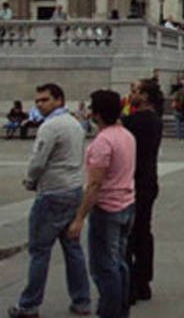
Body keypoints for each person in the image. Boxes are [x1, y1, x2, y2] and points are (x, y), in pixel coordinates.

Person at [8, 84, 91, 318]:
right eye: (37, 101)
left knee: (39, 251)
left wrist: (30, 180)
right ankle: (82, 300)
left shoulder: (50, 126)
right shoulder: (75, 124)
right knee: (72, 249)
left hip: (52, 192)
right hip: (73, 189)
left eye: (44, 100)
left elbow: (38, 160)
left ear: (59, 100)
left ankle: (29, 305)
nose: (39, 104)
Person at [68, 90, 137, 318]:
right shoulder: (127, 135)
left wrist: (80, 217)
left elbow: (95, 183)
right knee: (120, 263)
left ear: (97, 114)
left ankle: (110, 312)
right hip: (127, 204)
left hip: (107, 208)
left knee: (104, 268)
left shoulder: (103, 141)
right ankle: (122, 309)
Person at [122, 78, 164, 306]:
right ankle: (144, 281)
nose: (131, 93)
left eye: (135, 90)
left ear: (145, 96)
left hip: (133, 181)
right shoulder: (155, 120)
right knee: (144, 232)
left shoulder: (132, 122)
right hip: (149, 179)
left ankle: (130, 284)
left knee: (128, 236)